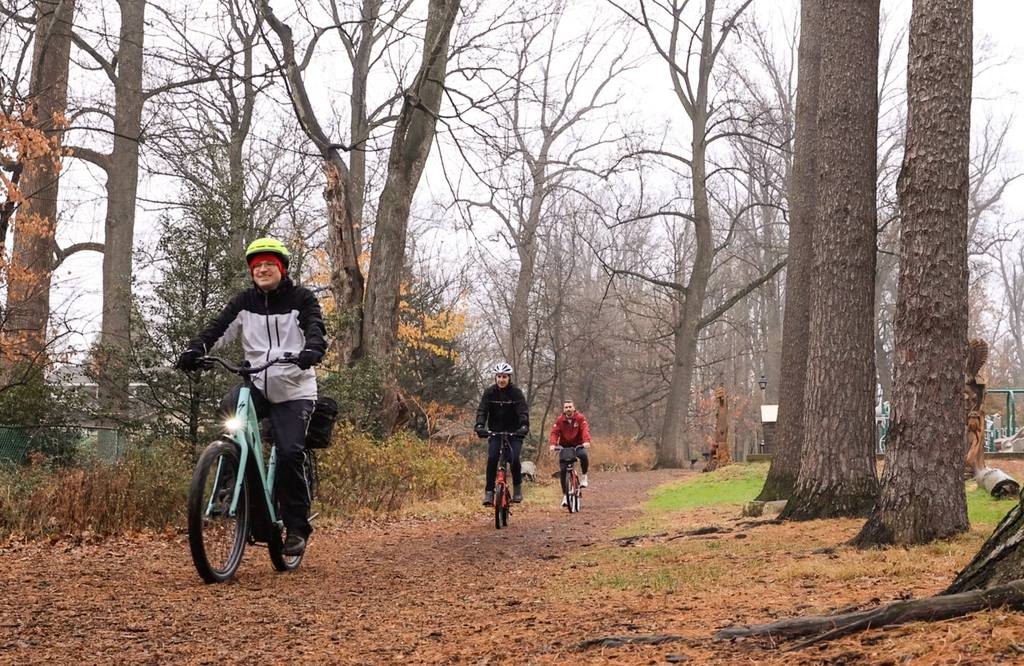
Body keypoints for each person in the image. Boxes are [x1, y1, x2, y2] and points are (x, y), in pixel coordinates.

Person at [177, 238, 327, 557]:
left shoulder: (302, 299)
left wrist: (312, 350)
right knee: (230, 408)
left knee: (288, 454)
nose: (262, 269)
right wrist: (195, 349)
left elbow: (314, 327)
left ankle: (297, 528)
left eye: (269, 264)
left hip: (294, 390)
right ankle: (229, 475)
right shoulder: (244, 302)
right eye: (256, 266)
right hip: (258, 383)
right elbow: (217, 329)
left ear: (281, 268)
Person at [474, 363, 529, 506]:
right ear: (496, 378)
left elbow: (523, 411)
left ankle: (517, 487)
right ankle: (489, 492)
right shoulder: (490, 393)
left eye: (504, 377)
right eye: (499, 377)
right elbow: (482, 410)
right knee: (492, 458)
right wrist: (480, 426)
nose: (501, 380)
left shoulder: (516, 393)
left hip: (514, 432)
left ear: (509, 378)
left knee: (514, 458)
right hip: (495, 432)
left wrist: (523, 426)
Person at [549, 399, 591, 507]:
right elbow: (555, 433)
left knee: (583, 455)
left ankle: (584, 476)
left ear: (573, 408)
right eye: (566, 407)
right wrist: (553, 444)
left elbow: (585, 429)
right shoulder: (559, 420)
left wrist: (586, 441)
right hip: (564, 447)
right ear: (564, 409)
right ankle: (565, 496)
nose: (568, 409)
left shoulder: (580, 418)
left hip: (577, 444)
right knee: (563, 471)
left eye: (570, 407)